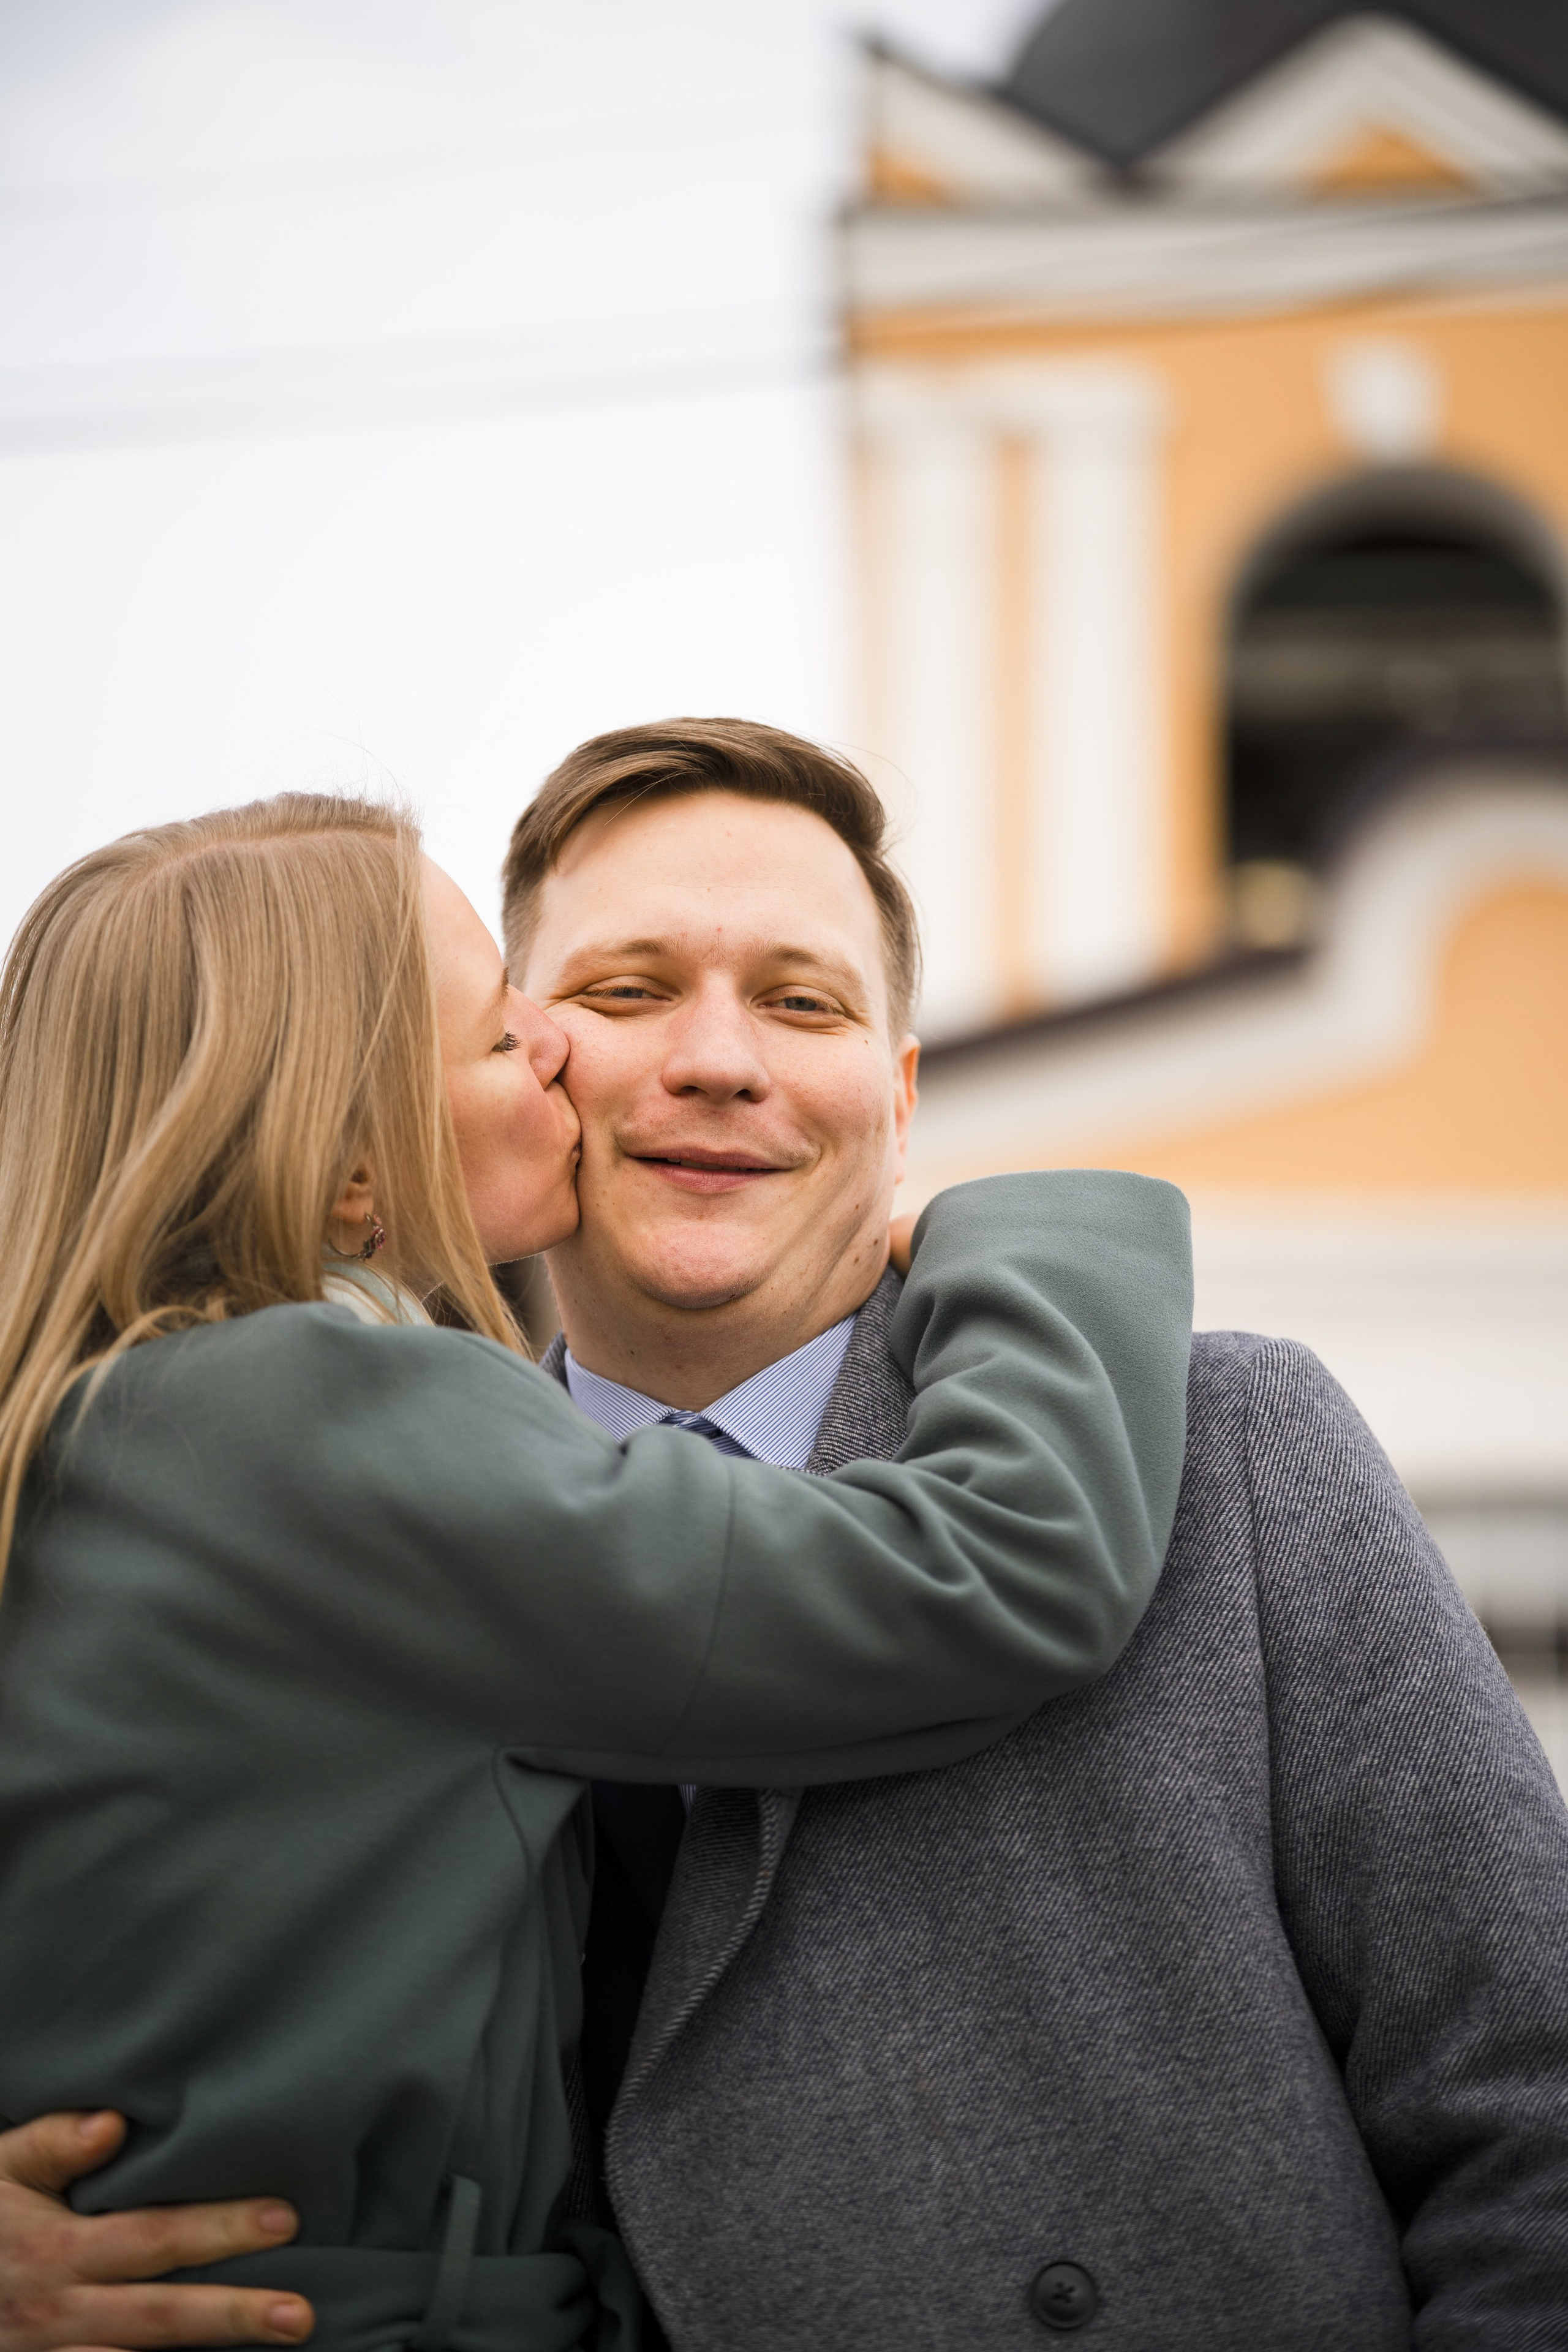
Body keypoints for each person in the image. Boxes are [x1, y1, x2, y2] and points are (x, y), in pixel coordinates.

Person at [10, 715, 1567, 2345]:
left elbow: (1533, 2105)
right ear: (515, 1059)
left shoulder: (1228, 1451)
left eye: (802, 1001)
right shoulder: (322, 1460)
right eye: (615, 997)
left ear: (898, 1097)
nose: (719, 1061)